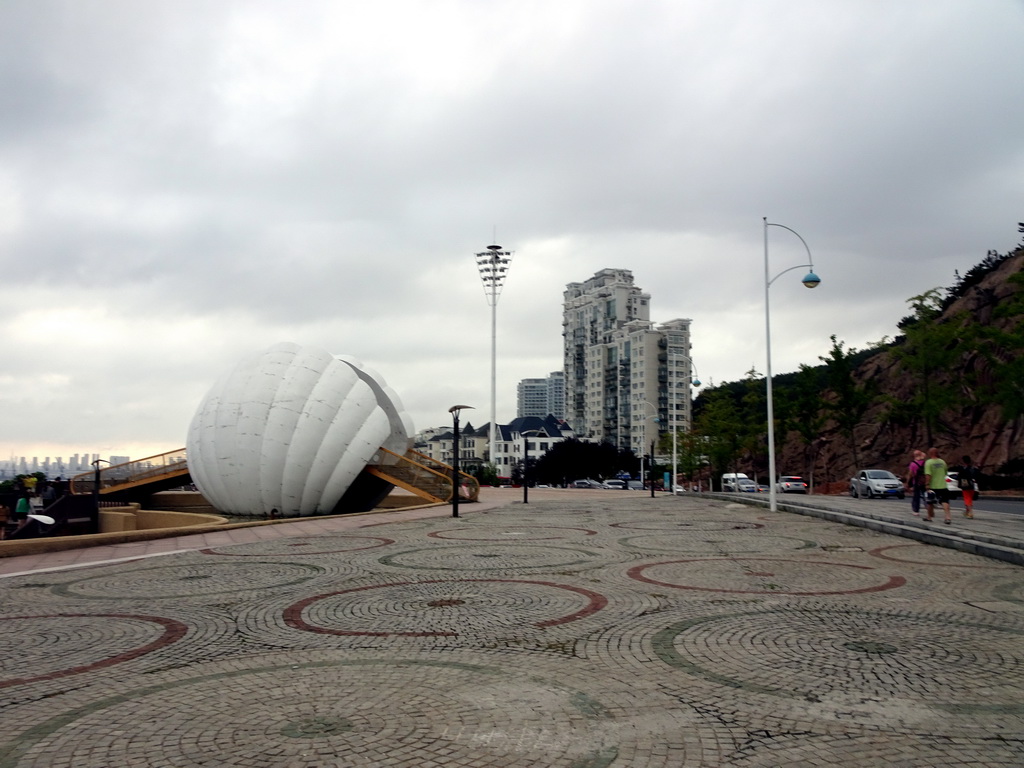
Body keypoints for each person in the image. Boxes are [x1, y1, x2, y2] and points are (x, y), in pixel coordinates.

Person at [923, 447, 951, 524]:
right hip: (943, 485)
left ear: (930, 453)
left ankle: (929, 517)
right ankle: (947, 517)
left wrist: (927, 484)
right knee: (945, 501)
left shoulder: (928, 462)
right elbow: (945, 473)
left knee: (930, 502)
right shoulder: (942, 462)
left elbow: (928, 475)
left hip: (933, 486)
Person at [905, 449, 926, 517]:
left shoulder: (913, 464)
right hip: (924, 481)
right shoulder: (925, 463)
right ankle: (929, 507)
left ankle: (916, 511)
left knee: (916, 497)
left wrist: (907, 482)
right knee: (925, 495)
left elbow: (910, 474)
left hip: (916, 482)